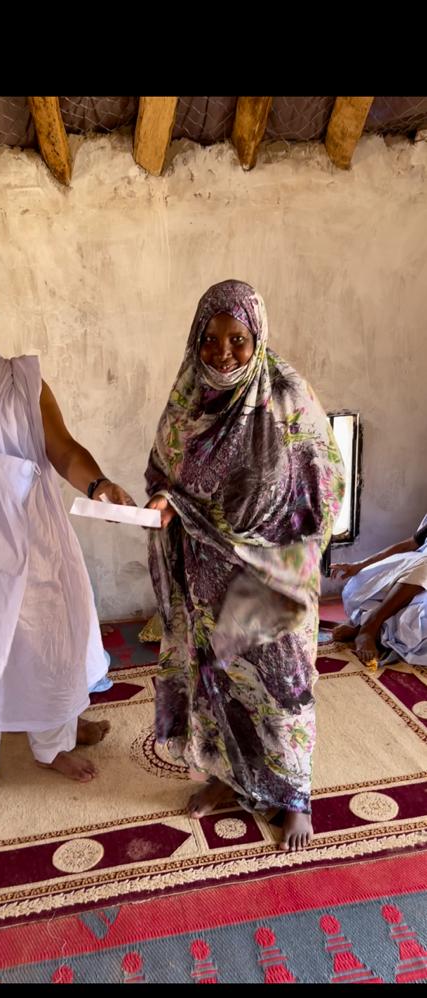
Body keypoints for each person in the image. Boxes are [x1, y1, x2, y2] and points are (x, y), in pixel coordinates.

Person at [0, 263, 135, 815]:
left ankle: (53, 744)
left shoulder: (23, 381)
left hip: (30, 543)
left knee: (47, 643)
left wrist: (98, 484)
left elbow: (61, 447)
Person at [145, 280, 344, 852]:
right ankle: (227, 778)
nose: (223, 352)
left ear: (257, 336)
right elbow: (163, 473)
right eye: (210, 339)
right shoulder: (189, 397)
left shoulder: (287, 395)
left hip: (272, 576)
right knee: (217, 686)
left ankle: (294, 798)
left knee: (282, 689)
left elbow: (328, 485)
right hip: (205, 576)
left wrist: (274, 546)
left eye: (238, 339)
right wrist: (164, 502)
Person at [330, 515, 427, 665]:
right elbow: (408, 545)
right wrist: (359, 565)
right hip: (419, 567)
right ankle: (370, 626)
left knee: (418, 621)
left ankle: (365, 627)